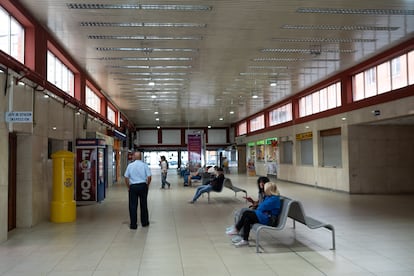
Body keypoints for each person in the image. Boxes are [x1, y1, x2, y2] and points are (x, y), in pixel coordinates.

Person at [226, 182, 281, 247]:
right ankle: (245, 240)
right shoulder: (270, 197)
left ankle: (237, 229)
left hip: (270, 219)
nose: (264, 190)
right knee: (247, 219)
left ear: (268, 190)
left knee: (246, 213)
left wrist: (260, 206)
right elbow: (261, 206)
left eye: (265, 189)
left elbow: (261, 207)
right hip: (264, 215)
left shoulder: (273, 199)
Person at [229, 176, 270, 243]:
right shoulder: (261, 193)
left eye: (263, 183)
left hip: (261, 212)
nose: (261, 184)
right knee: (243, 211)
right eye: (260, 183)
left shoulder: (267, 194)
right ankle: (237, 229)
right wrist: (252, 201)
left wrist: (255, 205)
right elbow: (259, 203)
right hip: (259, 210)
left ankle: (238, 230)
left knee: (245, 212)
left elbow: (262, 206)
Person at [124, 152, 152, 229]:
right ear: (140, 157)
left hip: (133, 187)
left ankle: (133, 224)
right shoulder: (144, 165)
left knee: (132, 206)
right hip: (143, 186)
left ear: (134, 157)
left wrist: (128, 187)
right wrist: (147, 185)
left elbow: (126, 177)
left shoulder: (130, 166)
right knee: (144, 204)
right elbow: (149, 177)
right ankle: (145, 222)